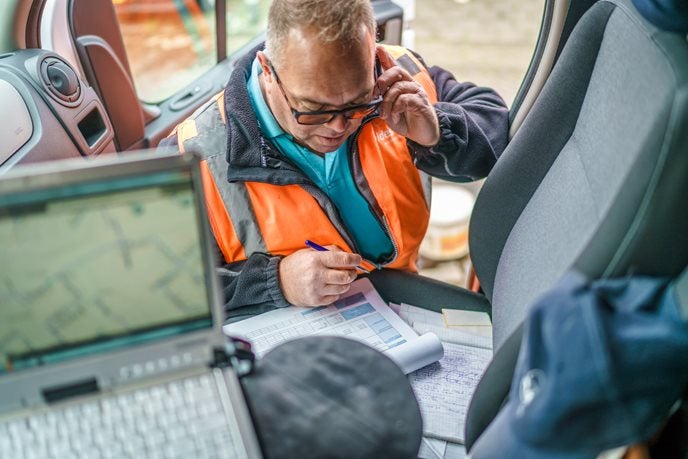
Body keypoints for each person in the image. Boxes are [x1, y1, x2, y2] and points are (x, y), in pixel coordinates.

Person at [160, 0, 509, 321]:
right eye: (313, 110)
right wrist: (275, 282)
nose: (339, 126)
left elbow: (500, 131)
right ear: (268, 70)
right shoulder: (192, 154)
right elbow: (168, 293)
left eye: (358, 103)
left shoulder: (402, 76)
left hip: (403, 309)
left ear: (374, 52)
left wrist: (437, 130)